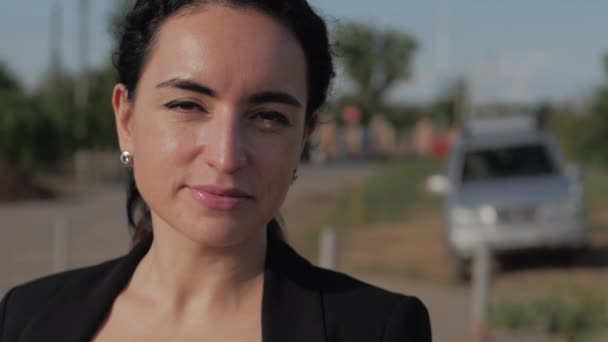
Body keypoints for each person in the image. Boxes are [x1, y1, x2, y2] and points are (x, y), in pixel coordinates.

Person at [0, 0, 432, 341]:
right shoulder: (27, 317)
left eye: (268, 116)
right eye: (187, 105)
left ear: (304, 137)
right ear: (127, 121)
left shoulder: (376, 330)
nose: (226, 156)